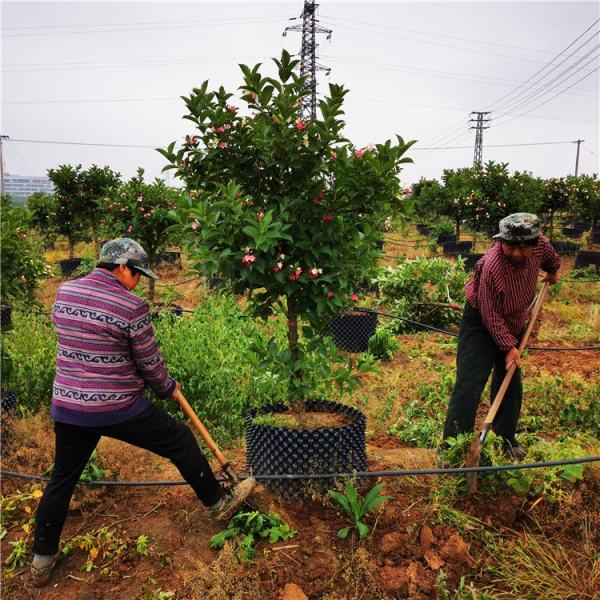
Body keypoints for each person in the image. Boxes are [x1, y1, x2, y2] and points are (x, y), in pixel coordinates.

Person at [31, 238, 256, 587]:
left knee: (62, 479)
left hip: (70, 406)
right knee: (180, 439)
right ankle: (217, 502)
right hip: (118, 406)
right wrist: (167, 387)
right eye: (137, 274)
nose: (138, 281)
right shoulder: (131, 306)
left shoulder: (64, 292)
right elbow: (149, 363)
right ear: (122, 267)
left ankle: (42, 559)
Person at [442, 213, 560, 459]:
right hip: (481, 324)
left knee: (510, 382)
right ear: (501, 240)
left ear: (534, 242)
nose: (517, 252)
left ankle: (506, 438)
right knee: (469, 384)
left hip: (514, 319)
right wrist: (509, 347)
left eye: (523, 247)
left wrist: (553, 272)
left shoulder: (540, 246)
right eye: (510, 246)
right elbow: (490, 314)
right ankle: (452, 448)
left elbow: (552, 260)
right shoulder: (492, 265)